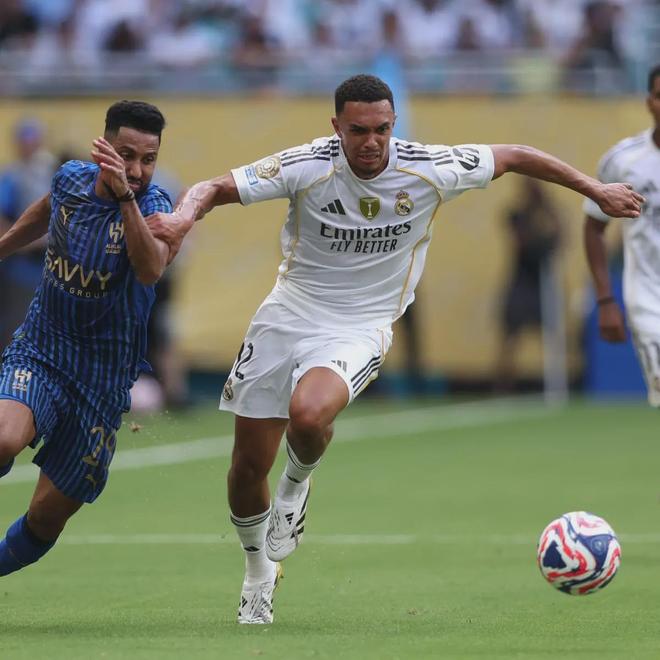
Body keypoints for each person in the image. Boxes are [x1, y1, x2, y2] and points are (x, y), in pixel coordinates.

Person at [146, 74, 643, 624]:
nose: (371, 141)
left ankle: (295, 486)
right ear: (336, 127)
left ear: (393, 125)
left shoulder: (429, 168)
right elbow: (215, 187)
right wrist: (182, 218)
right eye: (358, 130)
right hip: (287, 314)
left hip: (361, 325)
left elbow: (517, 155)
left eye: (382, 129)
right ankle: (258, 571)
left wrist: (595, 190)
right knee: (245, 469)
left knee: (308, 415)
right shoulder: (307, 164)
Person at [0, 101, 172, 577]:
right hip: (42, 350)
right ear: (104, 149)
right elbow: (46, 210)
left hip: (101, 382)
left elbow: (149, 268)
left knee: (45, 519)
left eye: (148, 159)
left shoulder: (155, 208)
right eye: (126, 155)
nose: (136, 170)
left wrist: (125, 199)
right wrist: (3, 247)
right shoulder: (71, 179)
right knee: (4, 437)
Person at [584, 64, 660, 406]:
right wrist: (605, 300)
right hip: (649, 298)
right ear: (649, 102)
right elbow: (594, 227)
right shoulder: (623, 160)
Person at [494, 178, 562, 392]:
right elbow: (523, 243)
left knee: (553, 334)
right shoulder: (518, 216)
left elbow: (560, 238)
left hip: (544, 283)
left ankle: (557, 382)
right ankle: (504, 385)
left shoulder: (548, 215)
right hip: (521, 281)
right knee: (510, 336)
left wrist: (547, 208)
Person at [0, 118, 57, 350]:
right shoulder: (11, 177)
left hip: (52, 271)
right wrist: (27, 241)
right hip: (21, 270)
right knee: (18, 331)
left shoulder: (52, 174)